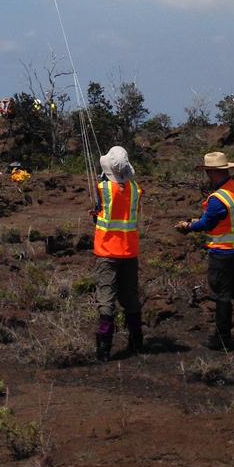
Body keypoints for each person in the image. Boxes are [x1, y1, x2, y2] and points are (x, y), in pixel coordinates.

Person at [176, 151, 234, 351]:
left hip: (225, 252)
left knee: (222, 295)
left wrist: (188, 226)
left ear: (211, 172)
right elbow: (222, 219)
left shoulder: (217, 198)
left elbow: (208, 222)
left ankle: (222, 339)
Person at [91, 145, 143, 361]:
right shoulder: (136, 190)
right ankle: (137, 342)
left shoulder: (102, 188)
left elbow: (100, 211)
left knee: (106, 299)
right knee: (130, 298)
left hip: (107, 252)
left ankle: (104, 350)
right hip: (129, 252)